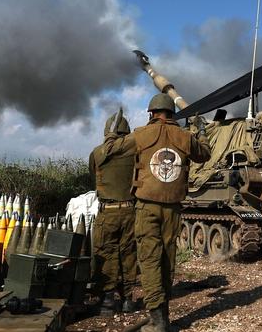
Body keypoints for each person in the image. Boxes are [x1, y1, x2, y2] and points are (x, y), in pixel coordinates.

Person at [104, 94, 210, 332]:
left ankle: (158, 321)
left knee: (150, 261)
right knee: (166, 260)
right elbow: (205, 153)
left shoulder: (140, 135)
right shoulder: (184, 136)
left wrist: (112, 131)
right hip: (173, 208)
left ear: (151, 113)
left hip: (146, 207)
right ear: (171, 113)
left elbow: (110, 149)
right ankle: (163, 316)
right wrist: (201, 130)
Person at [89, 109, 138, 316]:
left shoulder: (97, 153)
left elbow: (93, 172)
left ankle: (107, 301)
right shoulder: (134, 151)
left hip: (106, 212)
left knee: (105, 254)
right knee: (128, 254)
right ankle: (127, 300)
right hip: (130, 211)